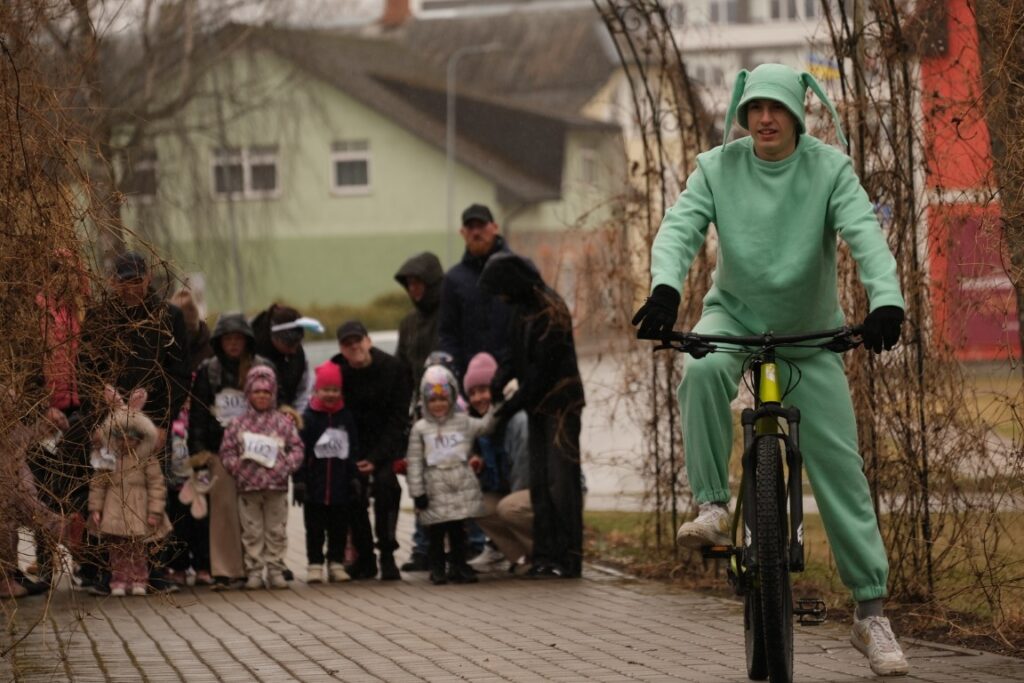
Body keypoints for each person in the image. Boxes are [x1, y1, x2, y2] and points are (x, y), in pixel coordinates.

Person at [629, 64, 909, 677]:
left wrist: (886, 301)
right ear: (742, 112)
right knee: (701, 373)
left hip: (812, 334)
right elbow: (679, 229)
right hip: (732, 317)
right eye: (754, 108)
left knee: (842, 467)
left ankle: (870, 613)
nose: (764, 119)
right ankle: (710, 505)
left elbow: (866, 236)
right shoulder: (716, 167)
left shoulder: (829, 169)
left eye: (776, 108)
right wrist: (666, 289)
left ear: (798, 113)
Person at [77, 250, 190, 595]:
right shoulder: (100, 318)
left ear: (148, 278)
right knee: (102, 492)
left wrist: (162, 422)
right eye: (124, 282)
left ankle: (155, 569)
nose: (131, 289)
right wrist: (96, 420)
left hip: (151, 423)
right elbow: (86, 371)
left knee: (153, 493)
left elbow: (179, 374)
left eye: (137, 281)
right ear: (113, 283)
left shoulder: (168, 317)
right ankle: (105, 570)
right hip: (108, 423)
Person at [480, 253, 586, 579]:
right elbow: (513, 353)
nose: (500, 297)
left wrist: (510, 406)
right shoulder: (522, 308)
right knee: (540, 484)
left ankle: (568, 558)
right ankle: (544, 555)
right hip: (538, 407)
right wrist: (500, 378)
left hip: (560, 407)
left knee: (560, 485)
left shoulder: (550, 310)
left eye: (500, 289)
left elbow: (542, 371)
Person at [189, 312, 272, 590]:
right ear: (219, 342)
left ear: (247, 340)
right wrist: (199, 456)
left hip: (257, 452)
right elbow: (198, 416)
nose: (234, 344)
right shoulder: (208, 371)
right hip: (218, 452)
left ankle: (258, 566)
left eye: (238, 338)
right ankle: (226, 570)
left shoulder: (262, 369)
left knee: (258, 513)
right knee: (223, 512)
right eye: (228, 339)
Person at [331, 321, 412, 581]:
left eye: (358, 340)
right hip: (352, 446)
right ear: (341, 349)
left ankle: (387, 554)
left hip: (386, 444)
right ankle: (365, 557)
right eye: (347, 343)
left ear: (368, 341)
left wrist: (376, 459)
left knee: (388, 487)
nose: (354, 346)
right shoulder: (337, 372)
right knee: (351, 490)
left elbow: (399, 419)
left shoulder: (394, 369)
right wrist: (354, 458)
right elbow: (334, 416)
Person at [406, 365, 497, 585]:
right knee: (436, 532)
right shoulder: (420, 429)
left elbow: (486, 426)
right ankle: (437, 567)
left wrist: (497, 404)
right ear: (425, 401)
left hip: (460, 485)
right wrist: (417, 492)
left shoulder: (462, 422)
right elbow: (415, 462)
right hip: (434, 487)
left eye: (443, 399)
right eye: (433, 400)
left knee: (459, 530)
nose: (438, 404)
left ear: (452, 397)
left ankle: (459, 565)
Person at [219, 366, 304, 590]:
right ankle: (254, 570)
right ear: (248, 394)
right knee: (252, 531)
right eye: (257, 392)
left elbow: (297, 448)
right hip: (248, 488)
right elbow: (227, 451)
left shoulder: (283, 423)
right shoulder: (237, 424)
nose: (262, 396)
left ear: (273, 394)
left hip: (276, 487)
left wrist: (286, 466)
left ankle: (275, 569)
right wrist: (237, 468)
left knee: (276, 530)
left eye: (266, 392)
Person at [88, 387, 173, 597]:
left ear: (140, 438)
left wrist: (155, 511)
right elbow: (98, 484)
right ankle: (119, 579)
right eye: (120, 436)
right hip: (114, 508)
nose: (126, 441)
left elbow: (156, 485)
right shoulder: (108, 457)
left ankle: (139, 579)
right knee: (116, 548)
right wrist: (96, 508)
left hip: (138, 507)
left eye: (132, 437)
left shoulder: (147, 459)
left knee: (138, 549)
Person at [394, 251, 444, 571]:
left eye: (418, 283)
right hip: (419, 414)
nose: (413, 289)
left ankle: (467, 543)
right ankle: (423, 546)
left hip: (449, 410)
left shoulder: (449, 316)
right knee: (419, 480)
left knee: (455, 478)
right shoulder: (408, 324)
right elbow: (401, 370)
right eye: (409, 284)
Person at [461, 352, 532, 573]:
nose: (477, 398)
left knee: (508, 508)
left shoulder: (518, 421)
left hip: (538, 494)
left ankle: (546, 554)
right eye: (472, 393)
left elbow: (523, 476)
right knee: (474, 502)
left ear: (496, 388)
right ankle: (521, 559)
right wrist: (478, 466)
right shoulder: (481, 427)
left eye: (483, 389)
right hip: (513, 496)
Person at [295, 361, 359, 584]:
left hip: (340, 485)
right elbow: (300, 451)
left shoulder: (346, 417)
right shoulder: (308, 418)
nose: (331, 394)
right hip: (315, 486)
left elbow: (352, 448)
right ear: (316, 390)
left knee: (339, 528)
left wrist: (354, 477)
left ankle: (336, 563)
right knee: (314, 528)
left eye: (335, 390)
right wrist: (299, 480)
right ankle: (314, 564)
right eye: (326, 390)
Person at [438, 204, 514, 379]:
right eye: (470, 227)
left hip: (513, 378)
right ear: (462, 233)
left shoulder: (514, 270)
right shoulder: (453, 280)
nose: (476, 232)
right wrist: (457, 375)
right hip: (471, 383)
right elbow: (448, 334)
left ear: (494, 228)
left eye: (481, 226)